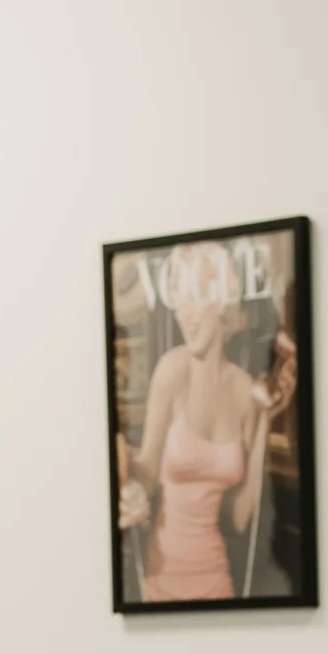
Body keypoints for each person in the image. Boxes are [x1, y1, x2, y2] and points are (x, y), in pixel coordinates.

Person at [117, 239, 296, 602]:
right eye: (178, 300)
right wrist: (126, 483)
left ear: (221, 299)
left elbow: (240, 517)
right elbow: (147, 472)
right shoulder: (172, 370)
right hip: (163, 576)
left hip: (216, 577)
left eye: (195, 297)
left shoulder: (244, 389)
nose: (185, 314)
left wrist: (263, 423)